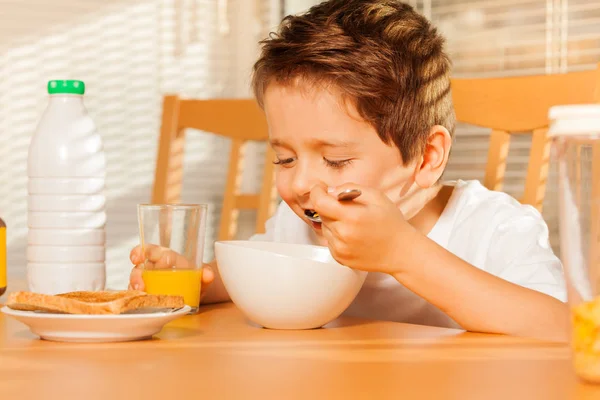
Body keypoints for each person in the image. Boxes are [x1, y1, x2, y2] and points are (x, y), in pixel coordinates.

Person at [130, 0, 568, 341]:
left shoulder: (494, 227)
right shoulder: (300, 225)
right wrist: (194, 279)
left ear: (427, 157)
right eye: (285, 159)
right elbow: (255, 271)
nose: (300, 184)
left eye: (336, 161)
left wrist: (405, 253)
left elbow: (558, 328)